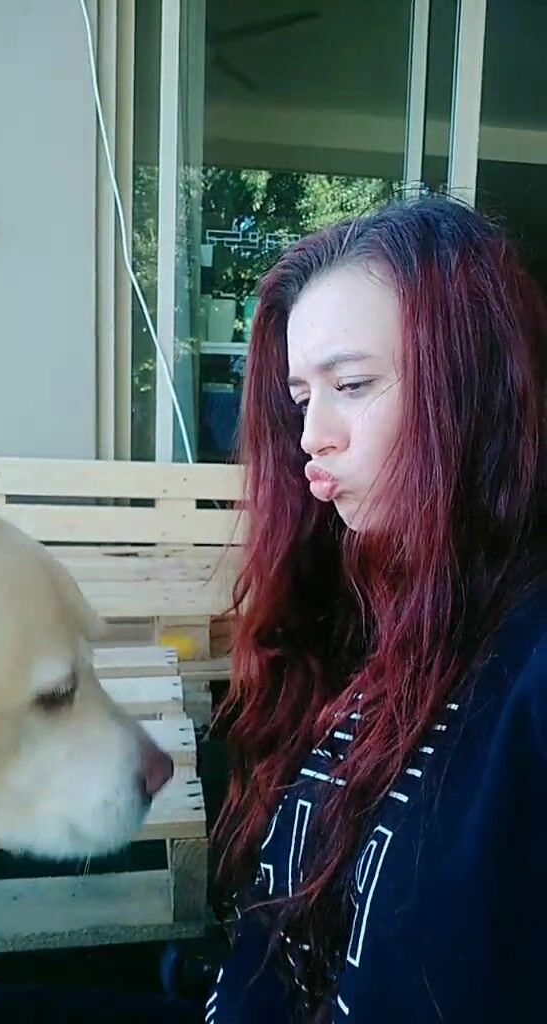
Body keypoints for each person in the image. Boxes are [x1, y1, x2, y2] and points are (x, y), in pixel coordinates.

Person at [207, 194, 547, 1023]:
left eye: (353, 384)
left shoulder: (529, 661)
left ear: (478, 387)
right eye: (301, 398)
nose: (310, 435)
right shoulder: (362, 612)